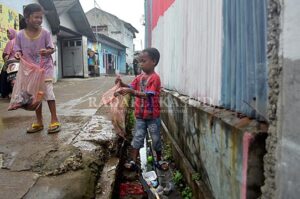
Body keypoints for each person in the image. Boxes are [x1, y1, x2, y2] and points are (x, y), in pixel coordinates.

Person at [14, 3, 60, 134]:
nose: (39, 20)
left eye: (41, 18)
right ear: (27, 18)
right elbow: (17, 49)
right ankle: (39, 122)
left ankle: (54, 120)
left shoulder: (45, 33)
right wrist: (17, 54)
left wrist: (48, 51)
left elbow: (52, 48)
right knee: (36, 97)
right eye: (36, 17)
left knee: (49, 93)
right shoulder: (20, 35)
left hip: (45, 68)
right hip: (30, 70)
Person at [115, 48, 162, 170]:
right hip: (140, 116)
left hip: (152, 117)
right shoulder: (140, 77)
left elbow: (148, 95)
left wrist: (131, 91)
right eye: (140, 61)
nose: (141, 64)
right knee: (137, 137)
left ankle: (159, 160)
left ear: (154, 61)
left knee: (156, 139)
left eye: (143, 61)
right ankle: (133, 161)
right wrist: (121, 84)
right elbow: (131, 86)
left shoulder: (154, 78)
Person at [0, 28, 17, 98]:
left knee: (4, 76)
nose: (7, 35)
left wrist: (5, 63)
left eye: (9, 33)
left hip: (11, 62)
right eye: (7, 33)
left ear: (13, 33)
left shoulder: (10, 42)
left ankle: (5, 93)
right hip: (20, 62)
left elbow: (6, 55)